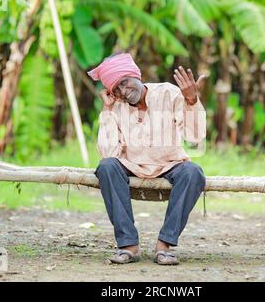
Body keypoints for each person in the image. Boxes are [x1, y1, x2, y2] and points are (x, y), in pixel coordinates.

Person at [87, 53, 207, 265]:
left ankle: (165, 245)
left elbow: (195, 137)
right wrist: (107, 110)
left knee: (193, 172)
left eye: (125, 82)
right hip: (130, 165)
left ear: (137, 76)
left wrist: (191, 100)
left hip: (169, 164)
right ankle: (128, 245)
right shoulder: (114, 106)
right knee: (106, 167)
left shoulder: (169, 93)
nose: (123, 91)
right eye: (116, 89)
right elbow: (109, 153)